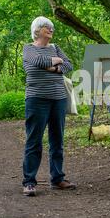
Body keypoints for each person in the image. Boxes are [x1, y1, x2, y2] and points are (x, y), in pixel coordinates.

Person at [22, 16, 75, 196]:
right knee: (34, 140)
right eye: (46, 27)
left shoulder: (55, 48)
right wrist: (56, 62)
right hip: (36, 99)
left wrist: (56, 66)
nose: (50, 30)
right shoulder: (29, 49)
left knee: (57, 139)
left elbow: (69, 65)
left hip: (58, 99)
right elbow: (36, 63)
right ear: (37, 30)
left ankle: (57, 178)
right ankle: (29, 182)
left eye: (51, 28)